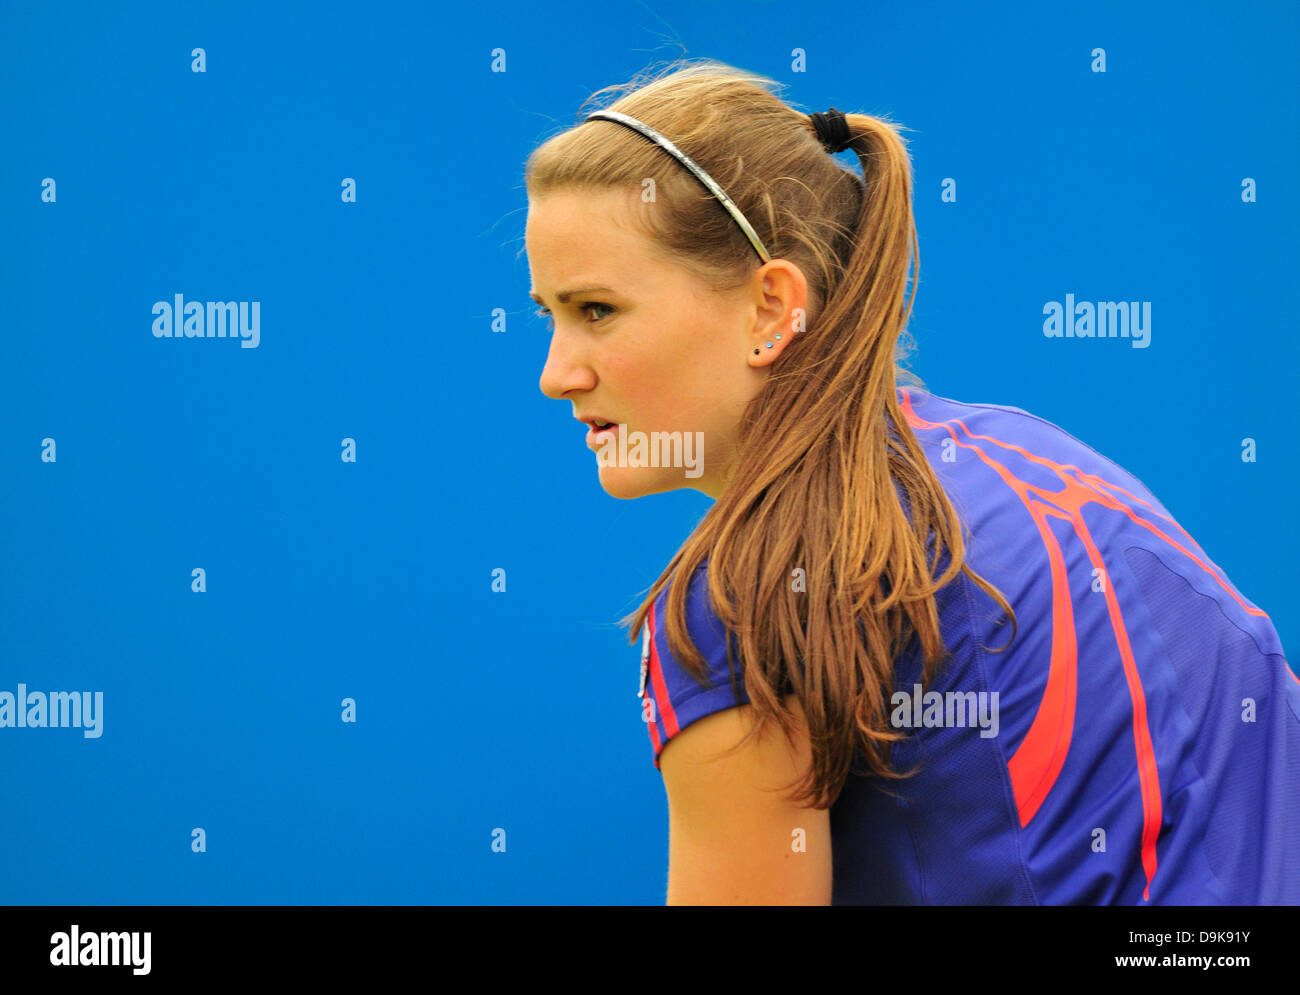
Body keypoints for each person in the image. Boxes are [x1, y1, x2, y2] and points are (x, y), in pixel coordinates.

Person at [523, 58, 1298, 905]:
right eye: (548, 314)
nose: (556, 373)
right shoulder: (1038, 458)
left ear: (769, 307)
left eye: (596, 310)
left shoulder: (735, 605)